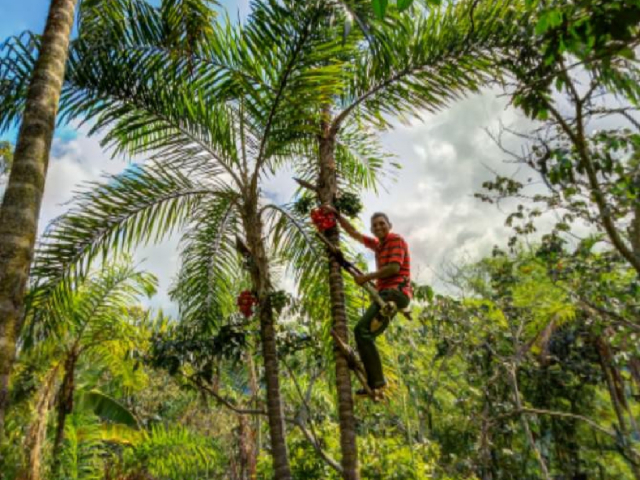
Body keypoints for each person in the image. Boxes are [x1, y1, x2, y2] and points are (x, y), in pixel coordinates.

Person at [330, 208, 412, 399]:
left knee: (362, 331)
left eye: (382, 223)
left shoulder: (395, 240)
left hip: (395, 293)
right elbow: (355, 234)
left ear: (389, 225)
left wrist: (368, 277)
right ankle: (375, 384)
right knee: (363, 333)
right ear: (373, 230)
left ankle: (378, 382)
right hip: (386, 295)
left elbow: (394, 268)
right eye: (375, 225)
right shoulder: (378, 245)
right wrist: (336, 215)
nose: (379, 227)